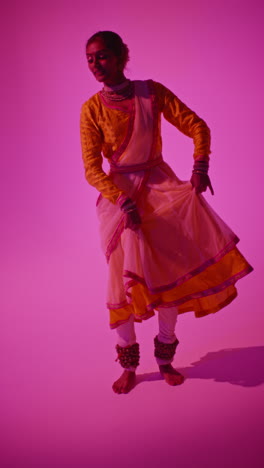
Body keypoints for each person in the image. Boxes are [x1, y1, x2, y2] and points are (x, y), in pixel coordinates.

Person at [80, 31, 253, 394]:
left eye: (103, 56)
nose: (96, 64)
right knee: (121, 284)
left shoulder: (151, 92)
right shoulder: (91, 109)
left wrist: (200, 166)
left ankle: (165, 361)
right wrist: (123, 201)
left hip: (161, 192)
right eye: (91, 58)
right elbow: (92, 169)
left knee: (168, 276)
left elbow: (197, 125)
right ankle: (129, 364)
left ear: (122, 56)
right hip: (118, 201)